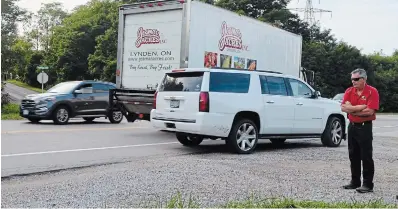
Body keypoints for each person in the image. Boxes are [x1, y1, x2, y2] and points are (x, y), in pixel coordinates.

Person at [341, 68, 379, 193]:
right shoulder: (349, 91)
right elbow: (343, 108)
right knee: (353, 154)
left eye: (356, 79)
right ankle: (355, 181)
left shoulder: (372, 91)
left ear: (364, 79)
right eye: (352, 79)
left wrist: (352, 109)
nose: (353, 82)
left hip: (365, 126)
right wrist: (360, 108)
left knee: (366, 155)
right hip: (352, 126)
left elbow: (370, 111)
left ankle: (368, 184)